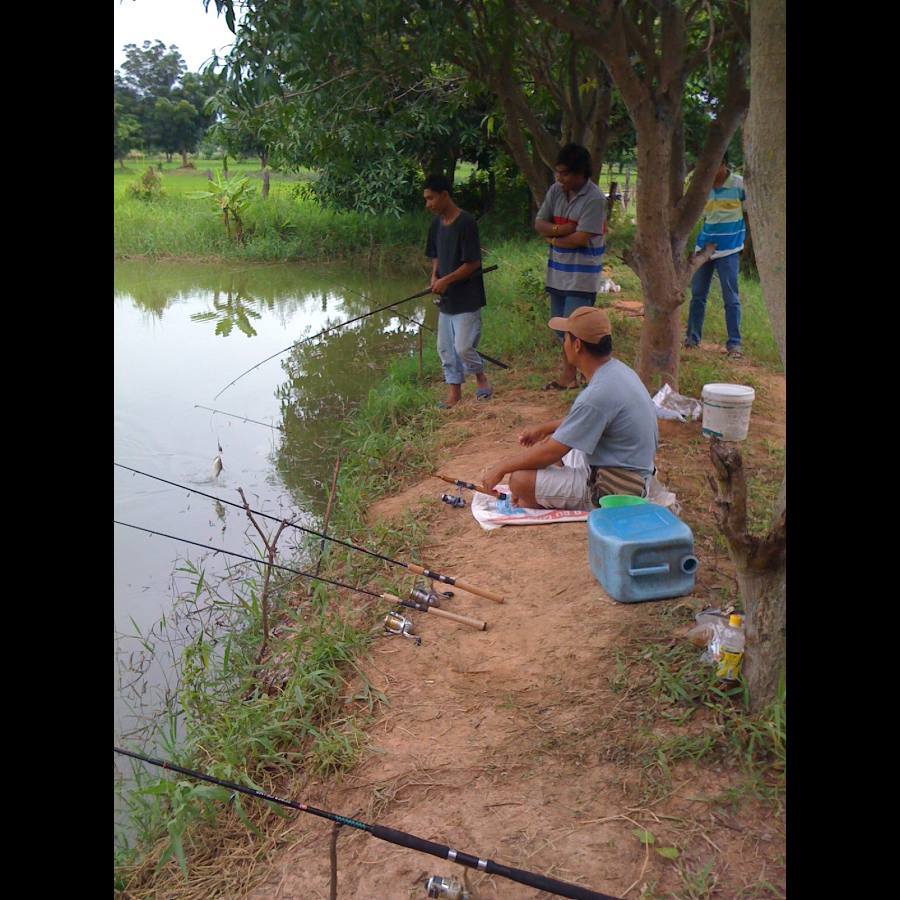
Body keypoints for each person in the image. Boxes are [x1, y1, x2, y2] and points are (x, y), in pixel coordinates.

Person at [480, 307, 658, 510]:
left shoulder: (597, 393)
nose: (563, 345)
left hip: (615, 487)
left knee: (519, 480)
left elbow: (551, 453)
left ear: (577, 345)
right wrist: (547, 428)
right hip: (632, 471)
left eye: (565, 339)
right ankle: (542, 492)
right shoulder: (617, 371)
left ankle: (538, 496)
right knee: (553, 442)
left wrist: (501, 468)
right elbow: (591, 420)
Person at [534, 143, 607, 391]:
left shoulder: (595, 199)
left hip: (582, 275)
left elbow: (581, 238)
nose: (559, 178)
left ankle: (577, 376)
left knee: (577, 330)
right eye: (558, 172)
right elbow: (539, 223)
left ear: (580, 173)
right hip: (557, 272)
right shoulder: (556, 191)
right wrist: (562, 229)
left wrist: (552, 237)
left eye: (565, 173)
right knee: (560, 328)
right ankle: (572, 375)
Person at [423, 174, 492, 408]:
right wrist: (435, 276)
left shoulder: (466, 222)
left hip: (467, 298)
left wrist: (447, 280)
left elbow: (472, 263)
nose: (428, 204)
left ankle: (481, 378)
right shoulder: (436, 224)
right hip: (446, 300)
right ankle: (454, 393)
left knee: (463, 347)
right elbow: (436, 256)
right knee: (445, 348)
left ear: (444, 195)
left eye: (431, 198)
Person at [684, 154, 748, 359]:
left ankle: (734, 345)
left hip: (729, 249)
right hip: (704, 248)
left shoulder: (739, 184)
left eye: (714, 166)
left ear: (723, 165)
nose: (710, 172)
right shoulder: (702, 186)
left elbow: (750, 210)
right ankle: (692, 340)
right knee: (698, 295)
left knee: (731, 297)